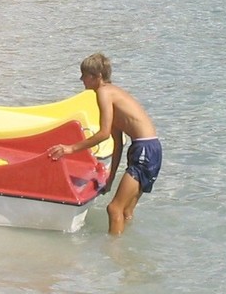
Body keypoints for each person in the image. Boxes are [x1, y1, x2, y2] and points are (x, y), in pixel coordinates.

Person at [47, 53, 161, 235]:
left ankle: (113, 253)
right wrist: (111, 177)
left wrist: (70, 149)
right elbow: (116, 141)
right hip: (147, 148)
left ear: (97, 77)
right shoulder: (112, 93)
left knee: (114, 209)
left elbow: (103, 134)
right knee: (125, 211)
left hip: (144, 149)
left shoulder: (104, 92)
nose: (81, 79)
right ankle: (125, 256)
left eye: (85, 75)